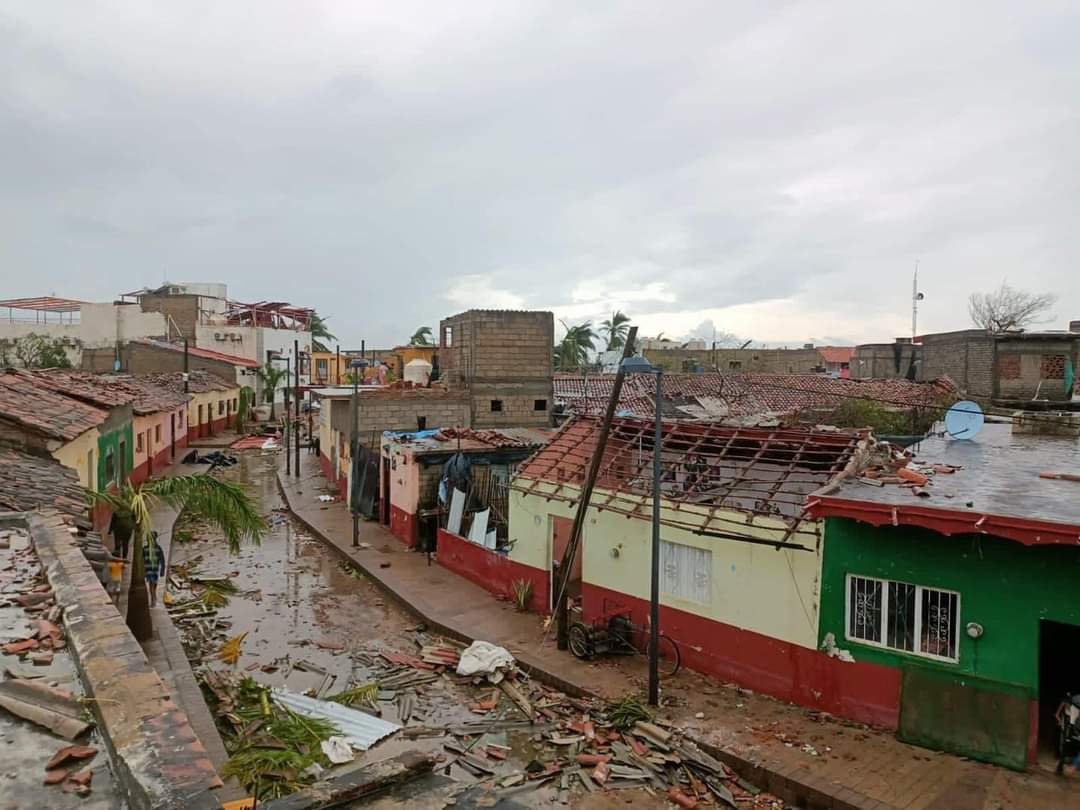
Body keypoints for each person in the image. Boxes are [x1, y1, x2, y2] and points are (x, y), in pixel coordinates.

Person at [142, 531, 167, 608]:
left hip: (151, 569)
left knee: (153, 585)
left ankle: (154, 599)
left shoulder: (146, 549)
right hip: (153, 570)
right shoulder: (157, 548)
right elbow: (162, 560)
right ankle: (154, 599)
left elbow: (162, 560)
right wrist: (162, 570)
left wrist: (162, 570)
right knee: (152, 584)